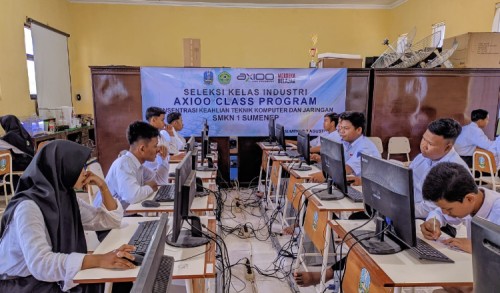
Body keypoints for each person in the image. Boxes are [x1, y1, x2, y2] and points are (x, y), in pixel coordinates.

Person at [0, 140, 135, 292]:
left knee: (120, 280)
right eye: (79, 167)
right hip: (23, 284)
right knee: (107, 283)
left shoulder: (65, 197)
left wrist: (103, 187)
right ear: (61, 168)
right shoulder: (28, 207)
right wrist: (99, 259)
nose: (85, 172)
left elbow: (110, 221)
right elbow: (41, 264)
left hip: (46, 278)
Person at [421, 162, 500, 252]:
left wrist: (477, 247)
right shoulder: (471, 200)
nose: (444, 212)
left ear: (469, 199)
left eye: (448, 209)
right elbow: (438, 213)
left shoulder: (497, 211)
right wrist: (434, 221)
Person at [94, 121, 169, 210]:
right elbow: (132, 197)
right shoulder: (124, 164)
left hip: (121, 215)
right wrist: (150, 187)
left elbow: (160, 181)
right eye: (155, 146)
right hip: (106, 220)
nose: (158, 149)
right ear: (142, 149)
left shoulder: (137, 164)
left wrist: (164, 159)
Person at [409, 118, 470, 219]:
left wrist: (401, 209)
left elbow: (431, 208)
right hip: (413, 210)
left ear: (447, 147)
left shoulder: (454, 171)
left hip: (437, 221)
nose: (424, 146)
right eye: (423, 139)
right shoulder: (422, 157)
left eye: (430, 144)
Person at [310, 111, 380, 182]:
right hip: (348, 182)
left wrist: (325, 175)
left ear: (358, 130)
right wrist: (321, 160)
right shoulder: (345, 142)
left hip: (363, 188)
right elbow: (338, 163)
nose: (341, 131)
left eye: (346, 128)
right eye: (341, 128)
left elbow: (348, 168)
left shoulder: (365, 147)